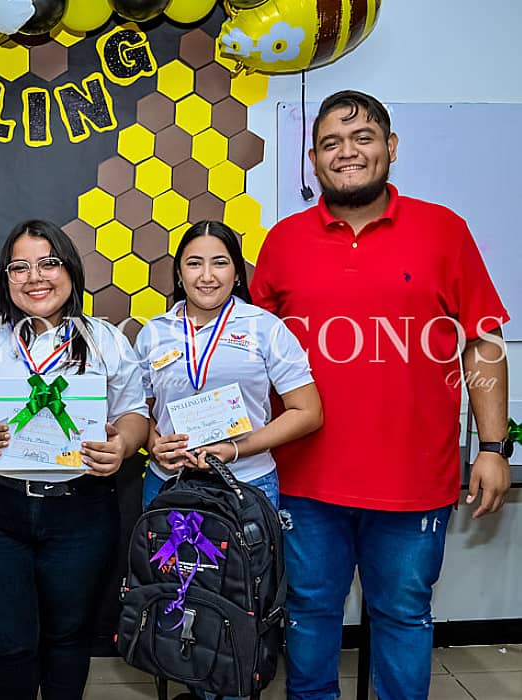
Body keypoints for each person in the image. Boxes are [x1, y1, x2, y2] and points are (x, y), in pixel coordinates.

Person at [251, 90, 511, 700]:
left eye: (363, 138)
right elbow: (248, 354)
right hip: (304, 480)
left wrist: (495, 446)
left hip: (413, 480)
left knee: (403, 617)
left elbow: (481, 343)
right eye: (332, 143)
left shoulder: (445, 231)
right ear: (314, 159)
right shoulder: (283, 241)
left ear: (391, 148)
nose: (348, 153)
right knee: (308, 617)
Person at [0, 220, 149, 700]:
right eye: (20, 267)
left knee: (69, 635)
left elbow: (135, 413)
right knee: (8, 641)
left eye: (49, 263)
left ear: (70, 270)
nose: (36, 277)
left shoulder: (104, 339)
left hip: (81, 509)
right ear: (5, 278)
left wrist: (124, 446)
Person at [136, 220, 322, 511]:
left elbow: (308, 412)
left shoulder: (265, 328)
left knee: (247, 560)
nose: (207, 276)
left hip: (247, 483)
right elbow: (140, 410)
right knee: (164, 559)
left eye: (220, 263)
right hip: (168, 483)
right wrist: (154, 442)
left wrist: (235, 449)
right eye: (194, 263)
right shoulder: (154, 332)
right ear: (179, 274)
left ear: (236, 274)